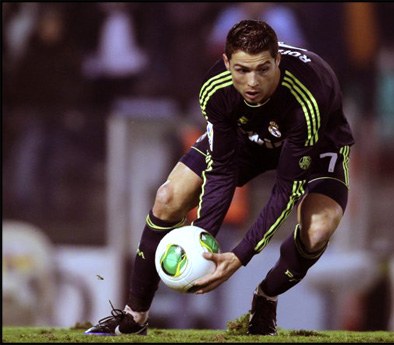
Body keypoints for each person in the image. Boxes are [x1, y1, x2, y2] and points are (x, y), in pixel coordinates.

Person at [85, 19, 354, 336]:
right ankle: (134, 316)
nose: (252, 82)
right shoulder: (215, 89)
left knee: (319, 229)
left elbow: (285, 190)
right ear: (227, 63)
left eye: (263, 69)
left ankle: (266, 297)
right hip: (248, 139)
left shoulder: (308, 97)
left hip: (316, 142)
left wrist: (238, 257)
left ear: (277, 60)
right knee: (168, 197)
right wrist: (202, 241)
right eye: (242, 70)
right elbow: (223, 169)